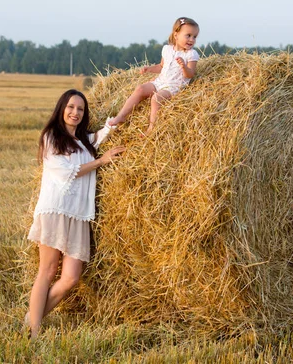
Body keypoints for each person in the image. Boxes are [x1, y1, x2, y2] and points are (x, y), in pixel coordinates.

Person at [25, 89, 124, 339]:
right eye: (71, 107)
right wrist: (101, 162)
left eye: (80, 109)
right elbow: (66, 171)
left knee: (70, 277)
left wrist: (133, 107)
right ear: (61, 109)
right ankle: (34, 333)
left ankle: (30, 320)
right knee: (47, 272)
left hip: (79, 215)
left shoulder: (85, 143)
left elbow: (108, 129)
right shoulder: (51, 137)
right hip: (55, 210)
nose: (75, 113)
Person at [108, 17, 200, 133]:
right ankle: (121, 115)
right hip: (160, 81)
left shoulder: (191, 54)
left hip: (174, 86)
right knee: (140, 89)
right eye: (188, 35)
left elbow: (190, 74)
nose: (191, 39)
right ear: (176, 35)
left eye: (194, 37)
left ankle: (152, 127)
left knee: (156, 99)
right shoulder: (167, 49)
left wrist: (184, 67)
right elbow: (161, 66)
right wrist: (149, 69)